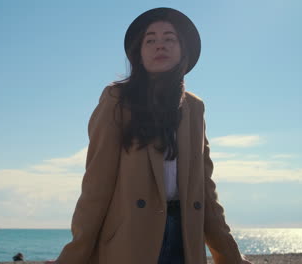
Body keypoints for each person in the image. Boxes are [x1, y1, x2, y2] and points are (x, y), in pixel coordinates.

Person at [46, 7, 253, 264]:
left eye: (169, 38)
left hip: (185, 238)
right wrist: (73, 256)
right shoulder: (116, 100)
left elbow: (205, 191)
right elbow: (96, 184)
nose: (160, 46)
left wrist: (230, 256)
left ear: (182, 49)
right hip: (130, 239)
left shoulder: (194, 108)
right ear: (139, 52)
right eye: (150, 40)